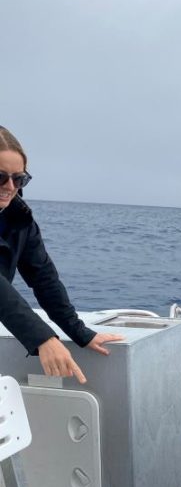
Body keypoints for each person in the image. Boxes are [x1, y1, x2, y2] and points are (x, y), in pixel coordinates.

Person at [0, 126, 122, 382]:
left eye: (19, 179)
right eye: (0, 177)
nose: (10, 186)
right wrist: (43, 338)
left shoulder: (19, 220)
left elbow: (44, 278)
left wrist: (80, 332)